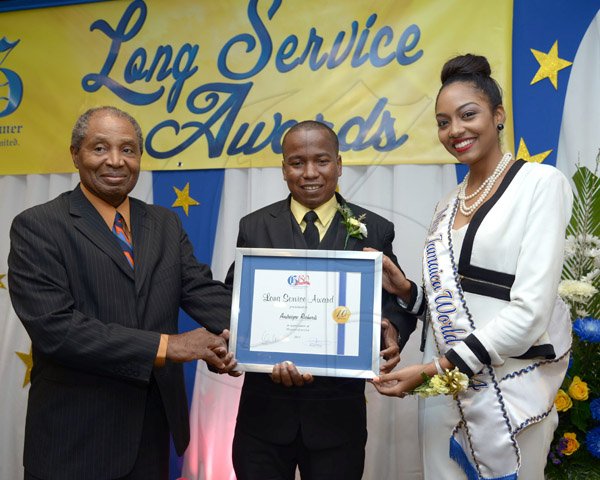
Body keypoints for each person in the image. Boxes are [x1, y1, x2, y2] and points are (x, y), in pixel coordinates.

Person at [7, 106, 237, 480]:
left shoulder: (164, 222)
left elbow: (200, 290)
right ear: (75, 153)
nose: (115, 161)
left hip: (151, 433)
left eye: (128, 150)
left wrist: (283, 333)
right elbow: (57, 329)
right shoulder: (39, 226)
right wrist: (169, 346)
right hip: (75, 440)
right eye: (100, 148)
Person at [372, 54, 573, 480]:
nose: (455, 131)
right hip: (446, 396)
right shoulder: (447, 204)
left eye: (468, 115)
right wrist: (408, 291)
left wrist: (434, 370)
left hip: (511, 392)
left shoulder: (540, 184)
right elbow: (459, 303)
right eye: (443, 122)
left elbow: (529, 311)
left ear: (498, 116)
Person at [225, 120, 417, 480]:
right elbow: (235, 296)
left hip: (336, 420)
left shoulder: (373, 228)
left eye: (322, 161)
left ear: (339, 164)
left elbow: (393, 299)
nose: (309, 173)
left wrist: (393, 330)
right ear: (284, 169)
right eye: (297, 162)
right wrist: (232, 336)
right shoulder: (254, 226)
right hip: (263, 418)